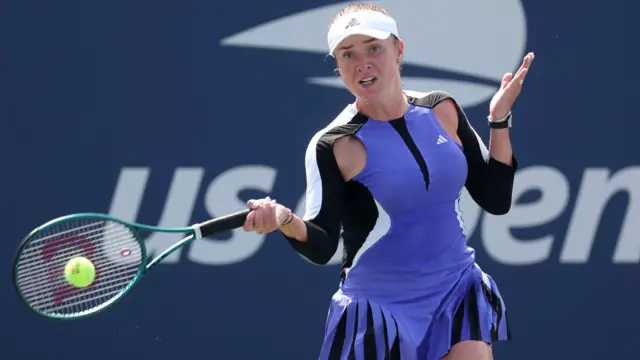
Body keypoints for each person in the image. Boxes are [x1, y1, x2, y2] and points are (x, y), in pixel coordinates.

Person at [241, 3, 534, 359]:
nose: (362, 62)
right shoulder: (334, 144)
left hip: (454, 289)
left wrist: (498, 121)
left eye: (374, 47)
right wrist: (285, 221)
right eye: (347, 54)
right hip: (378, 311)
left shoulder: (441, 109)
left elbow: (495, 198)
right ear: (338, 66)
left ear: (399, 50)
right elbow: (322, 245)